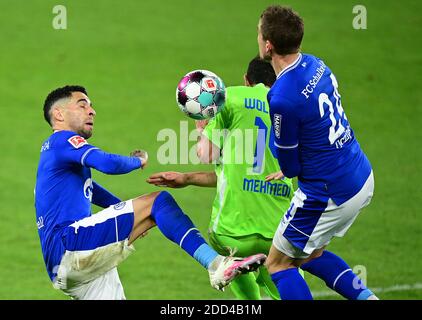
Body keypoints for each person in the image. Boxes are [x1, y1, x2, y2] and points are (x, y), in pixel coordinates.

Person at [34, 85, 266, 300]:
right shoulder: (63, 140)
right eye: (82, 104)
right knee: (159, 202)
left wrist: (130, 213)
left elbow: (90, 190)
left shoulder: (52, 155)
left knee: (152, 209)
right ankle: (216, 265)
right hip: (71, 244)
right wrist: (137, 161)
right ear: (59, 114)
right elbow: (106, 163)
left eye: (91, 105)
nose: (92, 111)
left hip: (63, 269)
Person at [147, 57, 299, 300]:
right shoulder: (291, 106)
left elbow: (207, 154)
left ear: (246, 81)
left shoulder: (227, 98)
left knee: (229, 262)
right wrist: (187, 178)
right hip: (278, 232)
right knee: (285, 282)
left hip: (232, 232)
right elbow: (238, 173)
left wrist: (201, 129)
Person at [257, 5, 378, 300]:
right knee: (310, 254)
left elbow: (292, 166)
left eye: (259, 34)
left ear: (268, 45)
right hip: (360, 175)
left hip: (326, 194)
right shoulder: (316, 64)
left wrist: (281, 155)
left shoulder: (282, 97)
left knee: (278, 264)